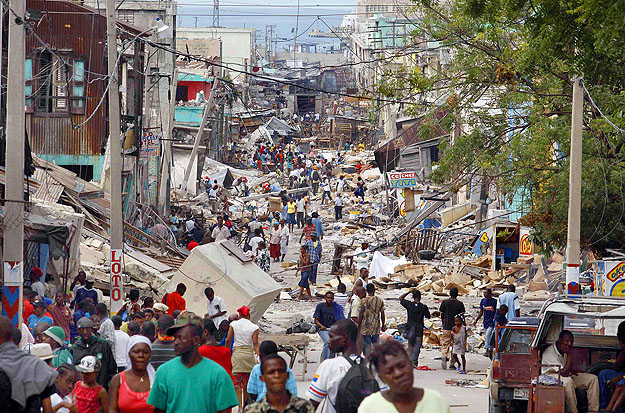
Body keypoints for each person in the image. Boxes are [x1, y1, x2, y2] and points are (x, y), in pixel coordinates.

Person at [147, 313, 239, 413]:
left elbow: (223, 410)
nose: (176, 342)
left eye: (181, 338)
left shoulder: (218, 374)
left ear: (196, 340)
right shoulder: (164, 372)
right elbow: (158, 409)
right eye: (175, 337)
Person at [307, 319, 382, 413]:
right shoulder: (374, 366)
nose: (329, 341)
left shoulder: (329, 366)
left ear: (343, 337)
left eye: (331, 337)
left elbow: (313, 404)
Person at [358, 340, 450, 412]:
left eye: (402, 366)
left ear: (411, 365)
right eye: (389, 371)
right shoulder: (370, 407)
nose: (398, 373)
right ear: (381, 378)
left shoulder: (436, 402)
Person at [541, 330, 599, 412]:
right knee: (568, 382)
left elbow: (565, 370)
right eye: (567, 341)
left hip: (563, 374)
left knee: (592, 379)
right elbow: (564, 373)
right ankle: (573, 411)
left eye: (571, 341)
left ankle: (593, 411)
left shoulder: (563, 349)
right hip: (550, 376)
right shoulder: (550, 352)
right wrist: (569, 355)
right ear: (560, 340)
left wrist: (574, 371)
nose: (569, 344)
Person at [245, 353, 314, 413]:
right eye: (271, 372)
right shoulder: (252, 410)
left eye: (280, 371)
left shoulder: (304, 407)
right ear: (262, 378)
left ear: (287, 375)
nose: (277, 375)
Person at [108, 335, 154, 413]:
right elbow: (112, 409)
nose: (141, 356)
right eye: (136, 352)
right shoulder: (118, 380)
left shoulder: (155, 379)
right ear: (129, 354)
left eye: (145, 352)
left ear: (150, 356)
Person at [226, 305, 260, 409]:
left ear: (240, 314)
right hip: (249, 356)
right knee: (246, 384)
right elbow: (255, 344)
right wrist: (259, 357)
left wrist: (227, 351)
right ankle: (245, 407)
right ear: (248, 315)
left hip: (237, 355)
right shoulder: (254, 327)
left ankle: (240, 407)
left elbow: (228, 340)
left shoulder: (233, 324)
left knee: (237, 383)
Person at [70, 317, 117, 388]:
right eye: (82, 329)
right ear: (78, 331)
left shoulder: (103, 344)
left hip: (101, 387)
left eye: (87, 329)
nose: (85, 332)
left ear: (92, 329)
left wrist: (110, 385)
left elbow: (111, 368)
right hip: (82, 389)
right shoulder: (74, 348)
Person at [399, 289, 430, 368]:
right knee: (417, 345)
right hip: (419, 329)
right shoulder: (423, 307)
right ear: (420, 297)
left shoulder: (409, 305)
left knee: (410, 345)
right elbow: (428, 316)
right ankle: (414, 361)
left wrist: (409, 291)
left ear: (413, 297)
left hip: (410, 328)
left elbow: (401, 298)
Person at [438, 287, 465, 370]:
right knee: (455, 345)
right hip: (456, 328)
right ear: (457, 294)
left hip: (446, 326)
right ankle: (452, 364)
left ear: (449, 293)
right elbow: (462, 316)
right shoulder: (460, 303)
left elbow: (441, 313)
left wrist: (443, 323)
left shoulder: (445, 302)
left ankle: (444, 356)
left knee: (445, 343)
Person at [314, 291, 345, 361]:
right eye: (328, 298)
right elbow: (316, 320)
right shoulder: (320, 306)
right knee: (328, 342)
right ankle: (325, 361)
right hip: (323, 329)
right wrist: (321, 326)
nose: (329, 299)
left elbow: (341, 320)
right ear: (325, 298)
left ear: (333, 299)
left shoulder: (337, 308)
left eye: (331, 298)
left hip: (333, 329)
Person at [359, 284, 386, 355]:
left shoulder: (363, 301)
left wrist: (359, 326)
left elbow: (361, 314)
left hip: (365, 327)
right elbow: (382, 314)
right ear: (374, 290)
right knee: (376, 345)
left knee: (367, 345)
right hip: (376, 327)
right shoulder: (379, 300)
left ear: (366, 291)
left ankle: (367, 361)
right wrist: (383, 325)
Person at [474, 288, 497, 358]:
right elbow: (481, 312)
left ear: (490, 293)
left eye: (486, 293)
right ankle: (489, 348)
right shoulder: (483, 301)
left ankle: (488, 349)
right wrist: (476, 320)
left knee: (488, 335)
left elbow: (497, 311)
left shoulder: (494, 301)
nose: (484, 294)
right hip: (485, 321)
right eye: (483, 293)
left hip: (492, 321)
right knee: (487, 336)